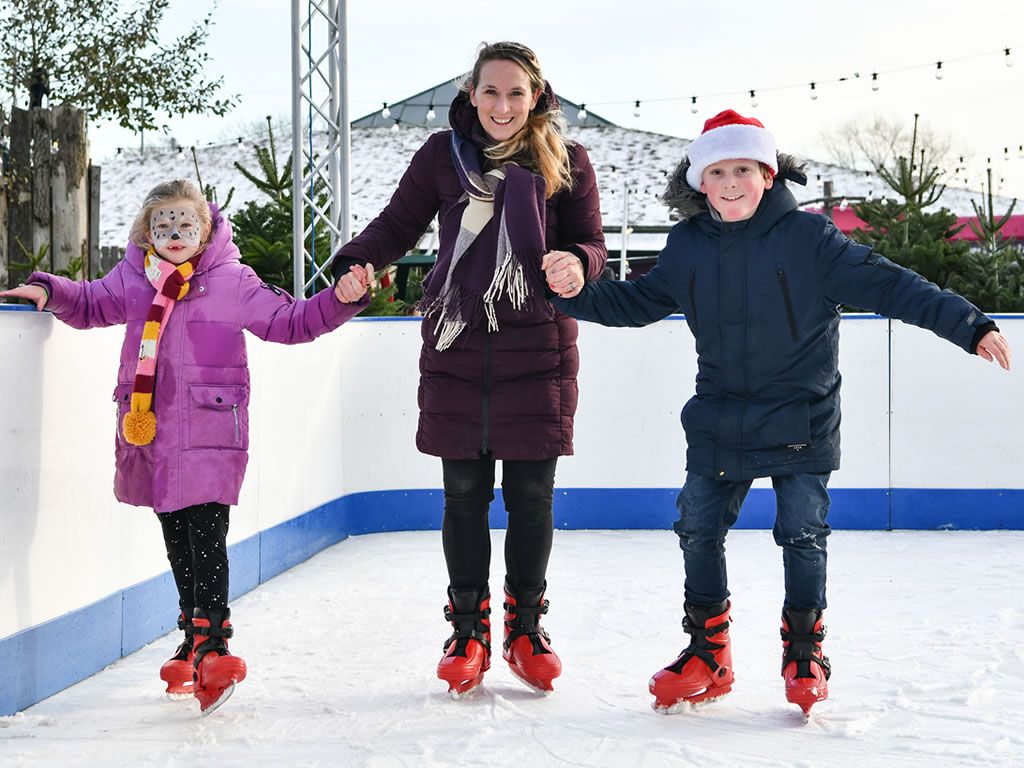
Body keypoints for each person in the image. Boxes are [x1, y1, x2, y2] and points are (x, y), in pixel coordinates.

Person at [547, 109, 1011, 715]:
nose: (732, 182)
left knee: (801, 533)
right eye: (718, 171)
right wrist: (575, 288)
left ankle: (803, 651)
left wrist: (968, 325)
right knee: (696, 526)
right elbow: (636, 301)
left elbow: (894, 285)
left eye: (744, 168)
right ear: (699, 182)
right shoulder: (687, 245)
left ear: (767, 174)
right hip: (719, 415)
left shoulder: (811, 240)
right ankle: (708, 652)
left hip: (802, 414)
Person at [1, 179, 371, 714]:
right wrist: (50, 292)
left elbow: (290, 322)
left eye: (185, 225)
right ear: (147, 232)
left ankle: (215, 641)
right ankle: (192, 635)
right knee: (176, 536)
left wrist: (338, 300)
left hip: (210, 429)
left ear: (205, 228)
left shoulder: (232, 280)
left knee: (207, 532)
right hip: (152, 430)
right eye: (163, 226)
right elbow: (90, 302)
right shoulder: (135, 277)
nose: (174, 235)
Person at [331, 41, 607, 696]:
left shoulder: (566, 162)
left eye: (516, 93)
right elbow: (396, 226)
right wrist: (354, 262)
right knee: (463, 495)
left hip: (536, 347)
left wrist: (579, 262)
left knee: (532, 496)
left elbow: (590, 241)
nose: (503, 106)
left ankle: (525, 626)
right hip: (458, 343)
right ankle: (467, 629)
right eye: (491, 92)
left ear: (536, 96)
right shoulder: (441, 157)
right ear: (471, 94)